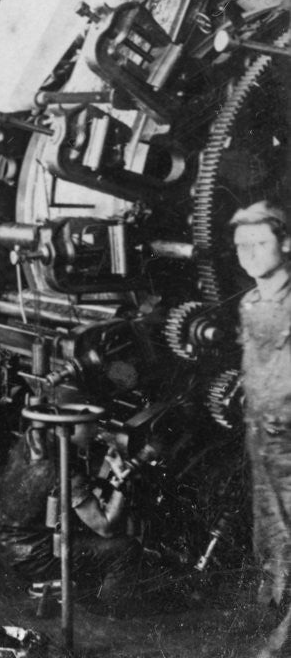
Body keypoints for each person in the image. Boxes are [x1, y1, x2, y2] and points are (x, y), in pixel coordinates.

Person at [0, 413, 143, 613]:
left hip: (8, 547)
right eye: (92, 424)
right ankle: (111, 614)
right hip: (36, 558)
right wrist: (123, 481)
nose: (96, 431)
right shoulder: (64, 468)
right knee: (125, 549)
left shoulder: (30, 442)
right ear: (71, 426)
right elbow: (105, 527)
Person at [230, 202, 291, 658]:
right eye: (241, 245)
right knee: (270, 535)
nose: (249, 253)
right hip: (262, 439)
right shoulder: (251, 302)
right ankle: (275, 616)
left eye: (260, 242)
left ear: (286, 243)